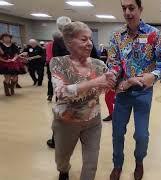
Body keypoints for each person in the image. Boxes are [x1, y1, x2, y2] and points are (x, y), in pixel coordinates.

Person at [108, 0, 161, 179]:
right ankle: (117, 164)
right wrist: (111, 76)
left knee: (142, 135)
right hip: (122, 92)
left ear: (140, 9)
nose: (127, 12)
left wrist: (155, 75)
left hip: (143, 92)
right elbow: (114, 64)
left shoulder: (154, 34)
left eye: (131, 8)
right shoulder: (117, 36)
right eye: (124, 8)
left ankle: (139, 162)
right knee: (117, 132)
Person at [50, 21, 116, 180]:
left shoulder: (99, 64)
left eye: (90, 39)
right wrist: (96, 82)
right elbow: (61, 92)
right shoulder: (58, 63)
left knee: (91, 163)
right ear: (69, 42)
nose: (89, 44)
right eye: (84, 39)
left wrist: (119, 82)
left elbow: (110, 85)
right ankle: (63, 170)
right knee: (62, 158)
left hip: (92, 121)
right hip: (66, 121)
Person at [47, 16, 100, 149]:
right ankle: (57, 139)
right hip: (68, 87)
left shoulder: (85, 41)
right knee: (64, 111)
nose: (88, 42)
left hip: (86, 94)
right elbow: (57, 66)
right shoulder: (59, 44)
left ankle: (58, 139)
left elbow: (95, 59)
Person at [45, 32, 61, 102]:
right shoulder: (60, 44)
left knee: (51, 80)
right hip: (56, 64)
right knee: (59, 81)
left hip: (50, 63)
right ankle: (58, 97)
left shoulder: (48, 44)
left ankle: (50, 95)